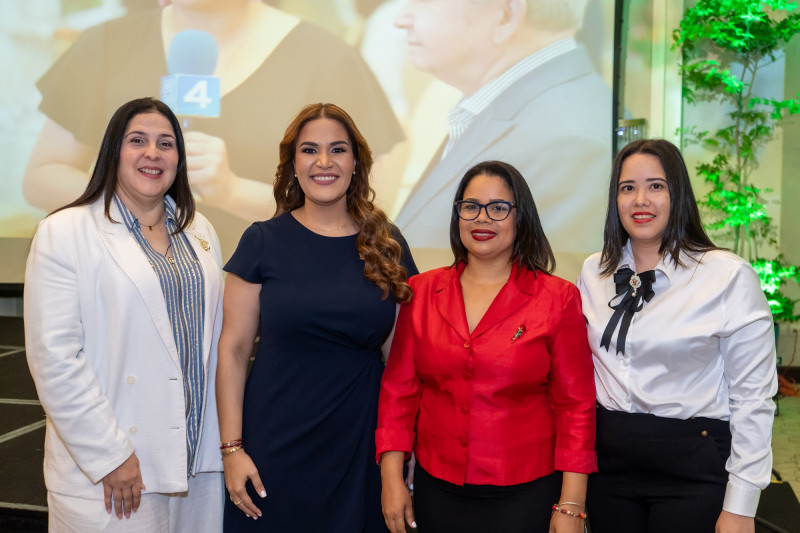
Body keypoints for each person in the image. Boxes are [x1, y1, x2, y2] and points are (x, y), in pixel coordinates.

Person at [22, 0, 403, 259]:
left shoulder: (326, 59)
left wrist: (231, 191)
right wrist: (140, 199)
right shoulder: (107, 44)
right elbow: (42, 178)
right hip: (121, 288)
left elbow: (365, 210)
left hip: (271, 301)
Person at [24, 97, 225, 532]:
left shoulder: (200, 231)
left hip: (195, 462)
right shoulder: (63, 232)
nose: (152, 153)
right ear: (114, 152)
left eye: (166, 143)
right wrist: (110, 456)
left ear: (179, 160)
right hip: (114, 471)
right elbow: (55, 360)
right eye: (138, 140)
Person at [215, 103, 418, 532]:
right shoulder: (262, 242)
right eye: (309, 150)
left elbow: (402, 363)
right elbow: (232, 352)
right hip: (273, 442)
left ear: (356, 164)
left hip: (361, 443)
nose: (324, 162)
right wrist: (232, 450)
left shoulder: (388, 244)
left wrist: (401, 451)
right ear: (293, 165)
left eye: (337, 150)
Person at [377, 160, 596, 533]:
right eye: (471, 206)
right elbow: (399, 392)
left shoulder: (557, 298)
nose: (483, 219)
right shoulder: (423, 292)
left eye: (498, 208)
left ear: (520, 216)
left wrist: (572, 504)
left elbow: (575, 406)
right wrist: (391, 479)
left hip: (526, 492)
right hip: (437, 488)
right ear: (457, 214)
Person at [577, 139, 778, 533]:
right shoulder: (593, 273)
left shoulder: (727, 276)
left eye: (656, 186)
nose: (640, 200)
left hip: (694, 466)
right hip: (610, 468)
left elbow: (753, 399)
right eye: (627, 187)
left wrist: (741, 505)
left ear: (678, 194)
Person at [391, 0, 611, 253]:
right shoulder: (539, 114)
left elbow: (531, 287)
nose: (401, 19)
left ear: (506, 15)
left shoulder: (566, 142)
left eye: (426, 3)